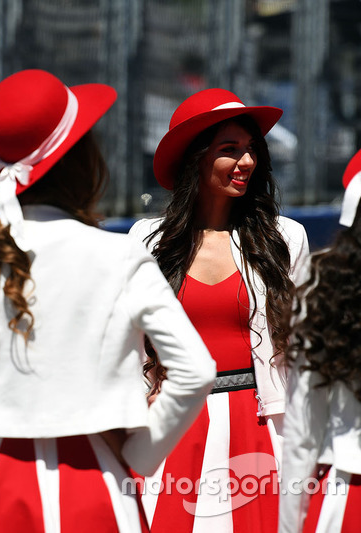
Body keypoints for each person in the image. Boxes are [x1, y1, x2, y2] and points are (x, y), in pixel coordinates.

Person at [0, 69, 216, 533]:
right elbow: (196, 370)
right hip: (95, 486)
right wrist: (141, 454)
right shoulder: (120, 254)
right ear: (81, 160)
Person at [129, 88, 310, 532]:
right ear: (196, 158)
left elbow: (307, 351)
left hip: (261, 423)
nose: (246, 162)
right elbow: (125, 344)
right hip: (170, 424)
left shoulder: (286, 238)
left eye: (251, 151)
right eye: (230, 150)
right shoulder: (146, 240)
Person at [279, 148, 361, 533]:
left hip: (347, 494)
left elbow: (302, 431)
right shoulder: (323, 284)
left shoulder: (324, 284)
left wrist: (289, 526)